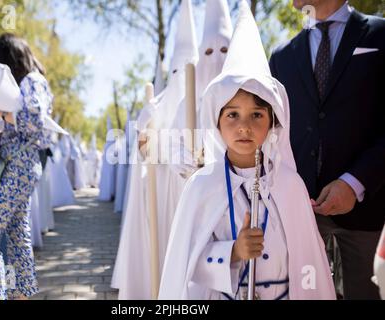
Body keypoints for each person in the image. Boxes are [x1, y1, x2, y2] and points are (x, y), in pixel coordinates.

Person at [159, 1, 335, 300]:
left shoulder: (290, 186)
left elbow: (309, 267)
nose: (244, 127)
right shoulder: (201, 186)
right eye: (232, 115)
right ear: (216, 121)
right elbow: (184, 265)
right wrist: (232, 252)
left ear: (273, 123)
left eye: (256, 115)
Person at [269, 0, 385, 299]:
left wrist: (353, 183)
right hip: (300, 215)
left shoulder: (379, 35)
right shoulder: (282, 57)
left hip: (369, 213)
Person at [0, 33, 53, 300]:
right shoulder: (23, 84)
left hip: (19, 168)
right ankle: (21, 295)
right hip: (15, 166)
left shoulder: (33, 80)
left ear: (12, 58)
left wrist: (1, 114)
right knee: (18, 237)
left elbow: (35, 121)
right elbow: (11, 124)